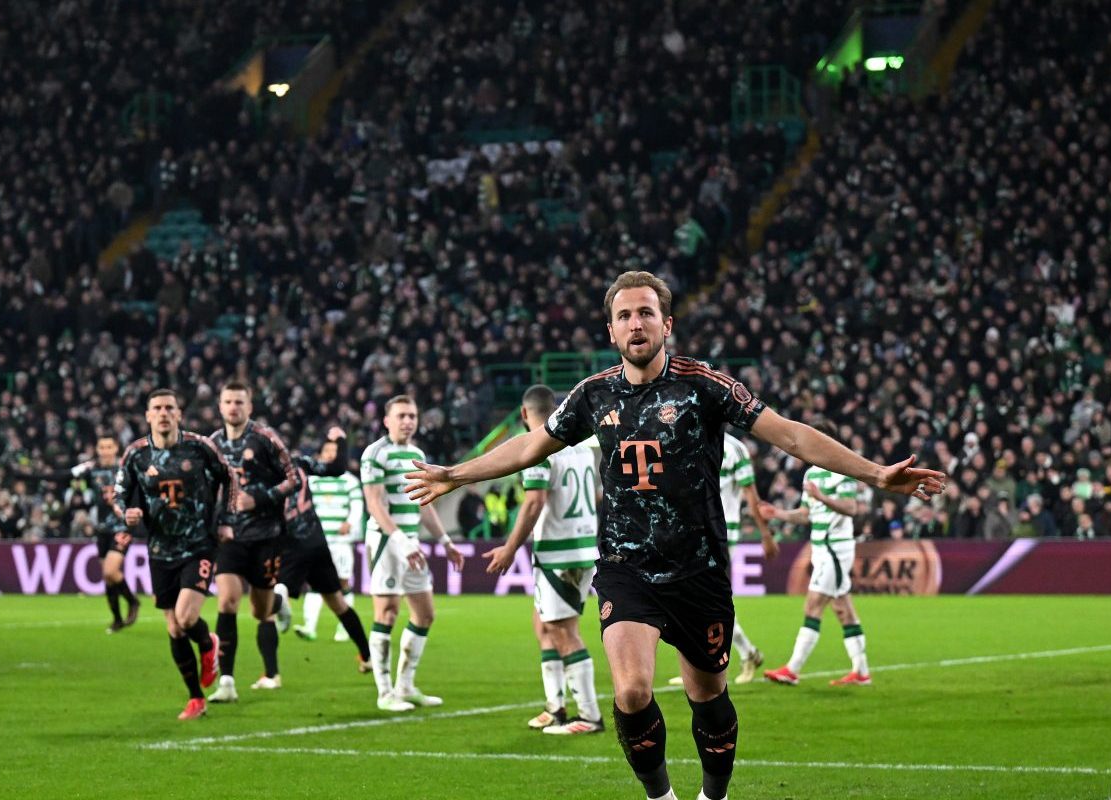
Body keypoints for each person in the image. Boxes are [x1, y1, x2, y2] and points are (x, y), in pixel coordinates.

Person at [406, 271, 946, 800]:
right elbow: (527, 447)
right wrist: (455, 474)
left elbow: (791, 436)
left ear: (667, 324)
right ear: (611, 332)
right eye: (624, 316)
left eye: (645, 313)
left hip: (699, 568)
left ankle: (714, 795)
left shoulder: (705, 386)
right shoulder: (593, 396)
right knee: (633, 691)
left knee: (707, 696)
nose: (635, 324)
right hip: (625, 568)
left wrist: (876, 474)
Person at [483, 384, 605, 735]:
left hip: (559, 554)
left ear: (524, 414)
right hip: (582, 547)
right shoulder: (580, 445)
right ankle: (556, 706)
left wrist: (509, 548)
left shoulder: (537, 446)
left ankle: (589, 716)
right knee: (545, 627)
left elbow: (534, 502)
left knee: (564, 633)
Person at [114, 388, 234, 720]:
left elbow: (231, 478)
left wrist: (226, 519)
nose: (164, 413)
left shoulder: (199, 447)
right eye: (157, 408)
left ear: (179, 414)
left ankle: (209, 644)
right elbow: (119, 494)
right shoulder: (136, 454)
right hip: (159, 548)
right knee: (174, 628)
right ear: (148, 415)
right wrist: (127, 513)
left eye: (170, 407)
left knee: (186, 617)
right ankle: (196, 698)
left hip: (198, 545)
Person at [361, 395, 464, 712]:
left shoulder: (417, 454)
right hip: (386, 542)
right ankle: (384, 692)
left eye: (412, 416)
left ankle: (405, 686)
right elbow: (375, 505)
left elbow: (424, 505)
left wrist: (445, 541)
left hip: (410, 545)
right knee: (387, 613)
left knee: (425, 614)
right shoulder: (375, 454)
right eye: (401, 416)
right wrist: (401, 543)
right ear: (386, 420)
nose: (408, 421)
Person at [758, 421, 873, 687]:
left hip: (835, 546)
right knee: (843, 610)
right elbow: (806, 514)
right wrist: (779, 514)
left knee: (812, 606)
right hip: (821, 546)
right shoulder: (811, 475)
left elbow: (851, 508)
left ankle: (793, 669)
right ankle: (861, 671)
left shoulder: (842, 471)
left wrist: (822, 498)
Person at [207, 382, 302, 701]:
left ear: (249, 407)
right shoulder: (212, 445)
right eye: (228, 401)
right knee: (227, 601)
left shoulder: (265, 438)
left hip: (266, 536)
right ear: (220, 407)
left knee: (261, 611)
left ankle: (278, 601)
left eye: (239, 401)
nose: (233, 407)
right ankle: (227, 683)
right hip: (230, 537)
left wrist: (260, 498)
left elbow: (294, 479)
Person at [669, 431, 779, 687]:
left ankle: (738, 656)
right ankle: (737, 656)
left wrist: (765, 534)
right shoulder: (689, 439)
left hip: (720, 533)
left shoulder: (734, 449)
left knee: (701, 601)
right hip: (691, 532)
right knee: (690, 602)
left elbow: (751, 496)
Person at [272, 428, 373, 674]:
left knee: (268, 600)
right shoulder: (301, 465)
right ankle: (367, 655)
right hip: (317, 540)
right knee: (337, 601)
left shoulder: (262, 473)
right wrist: (340, 439)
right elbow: (337, 467)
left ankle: (270, 672)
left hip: (292, 542)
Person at [20, 435, 140, 632]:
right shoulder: (90, 468)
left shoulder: (127, 468)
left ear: (116, 448)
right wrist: (34, 476)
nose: (105, 450)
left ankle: (132, 601)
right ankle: (117, 619)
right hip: (101, 529)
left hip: (122, 527)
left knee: (111, 570)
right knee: (107, 577)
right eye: (102, 447)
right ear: (97, 449)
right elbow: (64, 475)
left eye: (109, 446)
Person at [297, 433, 365, 645]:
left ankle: (344, 629)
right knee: (314, 584)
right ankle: (309, 627)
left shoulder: (349, 481)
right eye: (326, 451)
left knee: (343, 583)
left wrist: (351, 522)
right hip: (317, 541)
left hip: (340, 541)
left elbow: (357, 506)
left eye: (334, 452)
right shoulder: (312, 480)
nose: (329, 455)